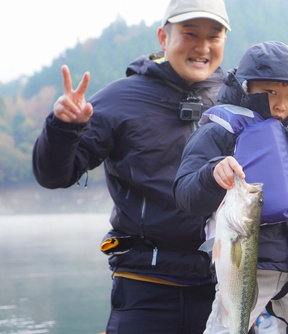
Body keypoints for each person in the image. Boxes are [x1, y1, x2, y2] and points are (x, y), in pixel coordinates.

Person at [31, 0, 231, 333]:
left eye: (214, 36)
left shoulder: (235, 105)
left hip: (223, 285)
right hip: (144, 284)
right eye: (190, 33)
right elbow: (54, 176)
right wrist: (63, 127)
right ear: (163, 39)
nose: (202, 46)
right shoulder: (118, 100)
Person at [173, 41, 288, 333]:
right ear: (246, 87)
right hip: (246, 266)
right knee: (227, 327)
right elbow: (185, 193)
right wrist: (213, 173)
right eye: (270, 92)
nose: (281, 104)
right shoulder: (220, 130)